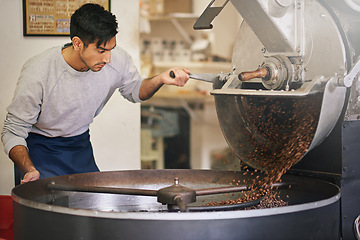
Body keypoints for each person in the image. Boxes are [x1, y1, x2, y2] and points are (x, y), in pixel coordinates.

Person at [1, 3, 190, 185]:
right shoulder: (39, 72)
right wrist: (29, 168)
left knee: (91, 205)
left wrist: (160, 79)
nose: (107, 59)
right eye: (101, 51)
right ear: (77, 43)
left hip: (79, 145)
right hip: (40, 149)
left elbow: (135, 91)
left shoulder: (116, 60)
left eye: (111, 49)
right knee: (47, 211)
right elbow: (12, 131)